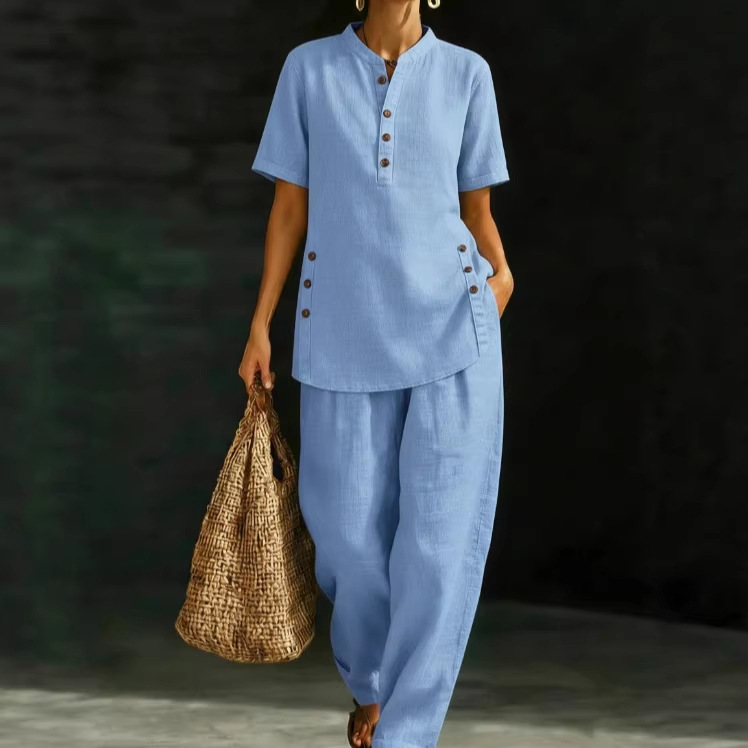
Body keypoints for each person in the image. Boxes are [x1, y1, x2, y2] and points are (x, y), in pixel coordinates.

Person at [240, 1, 513, 746]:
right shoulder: (309, 69)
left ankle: (406, 732)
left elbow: (477, 209)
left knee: (437, 547)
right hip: (337, 332)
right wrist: (261, 321)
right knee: (346, 534)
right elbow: (289, 207)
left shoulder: (467, 74)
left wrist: (501, 279)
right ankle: (373, 682)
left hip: (453, 333)